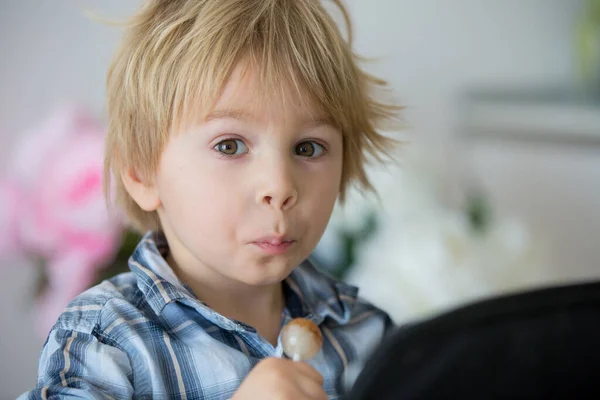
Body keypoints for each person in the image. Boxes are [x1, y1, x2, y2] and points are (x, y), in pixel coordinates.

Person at [19, 0, 400, 398]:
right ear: (141, 173)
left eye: (307, 148)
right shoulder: (105, 338)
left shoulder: (366, 334)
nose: (280, 186)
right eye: (230, 145)